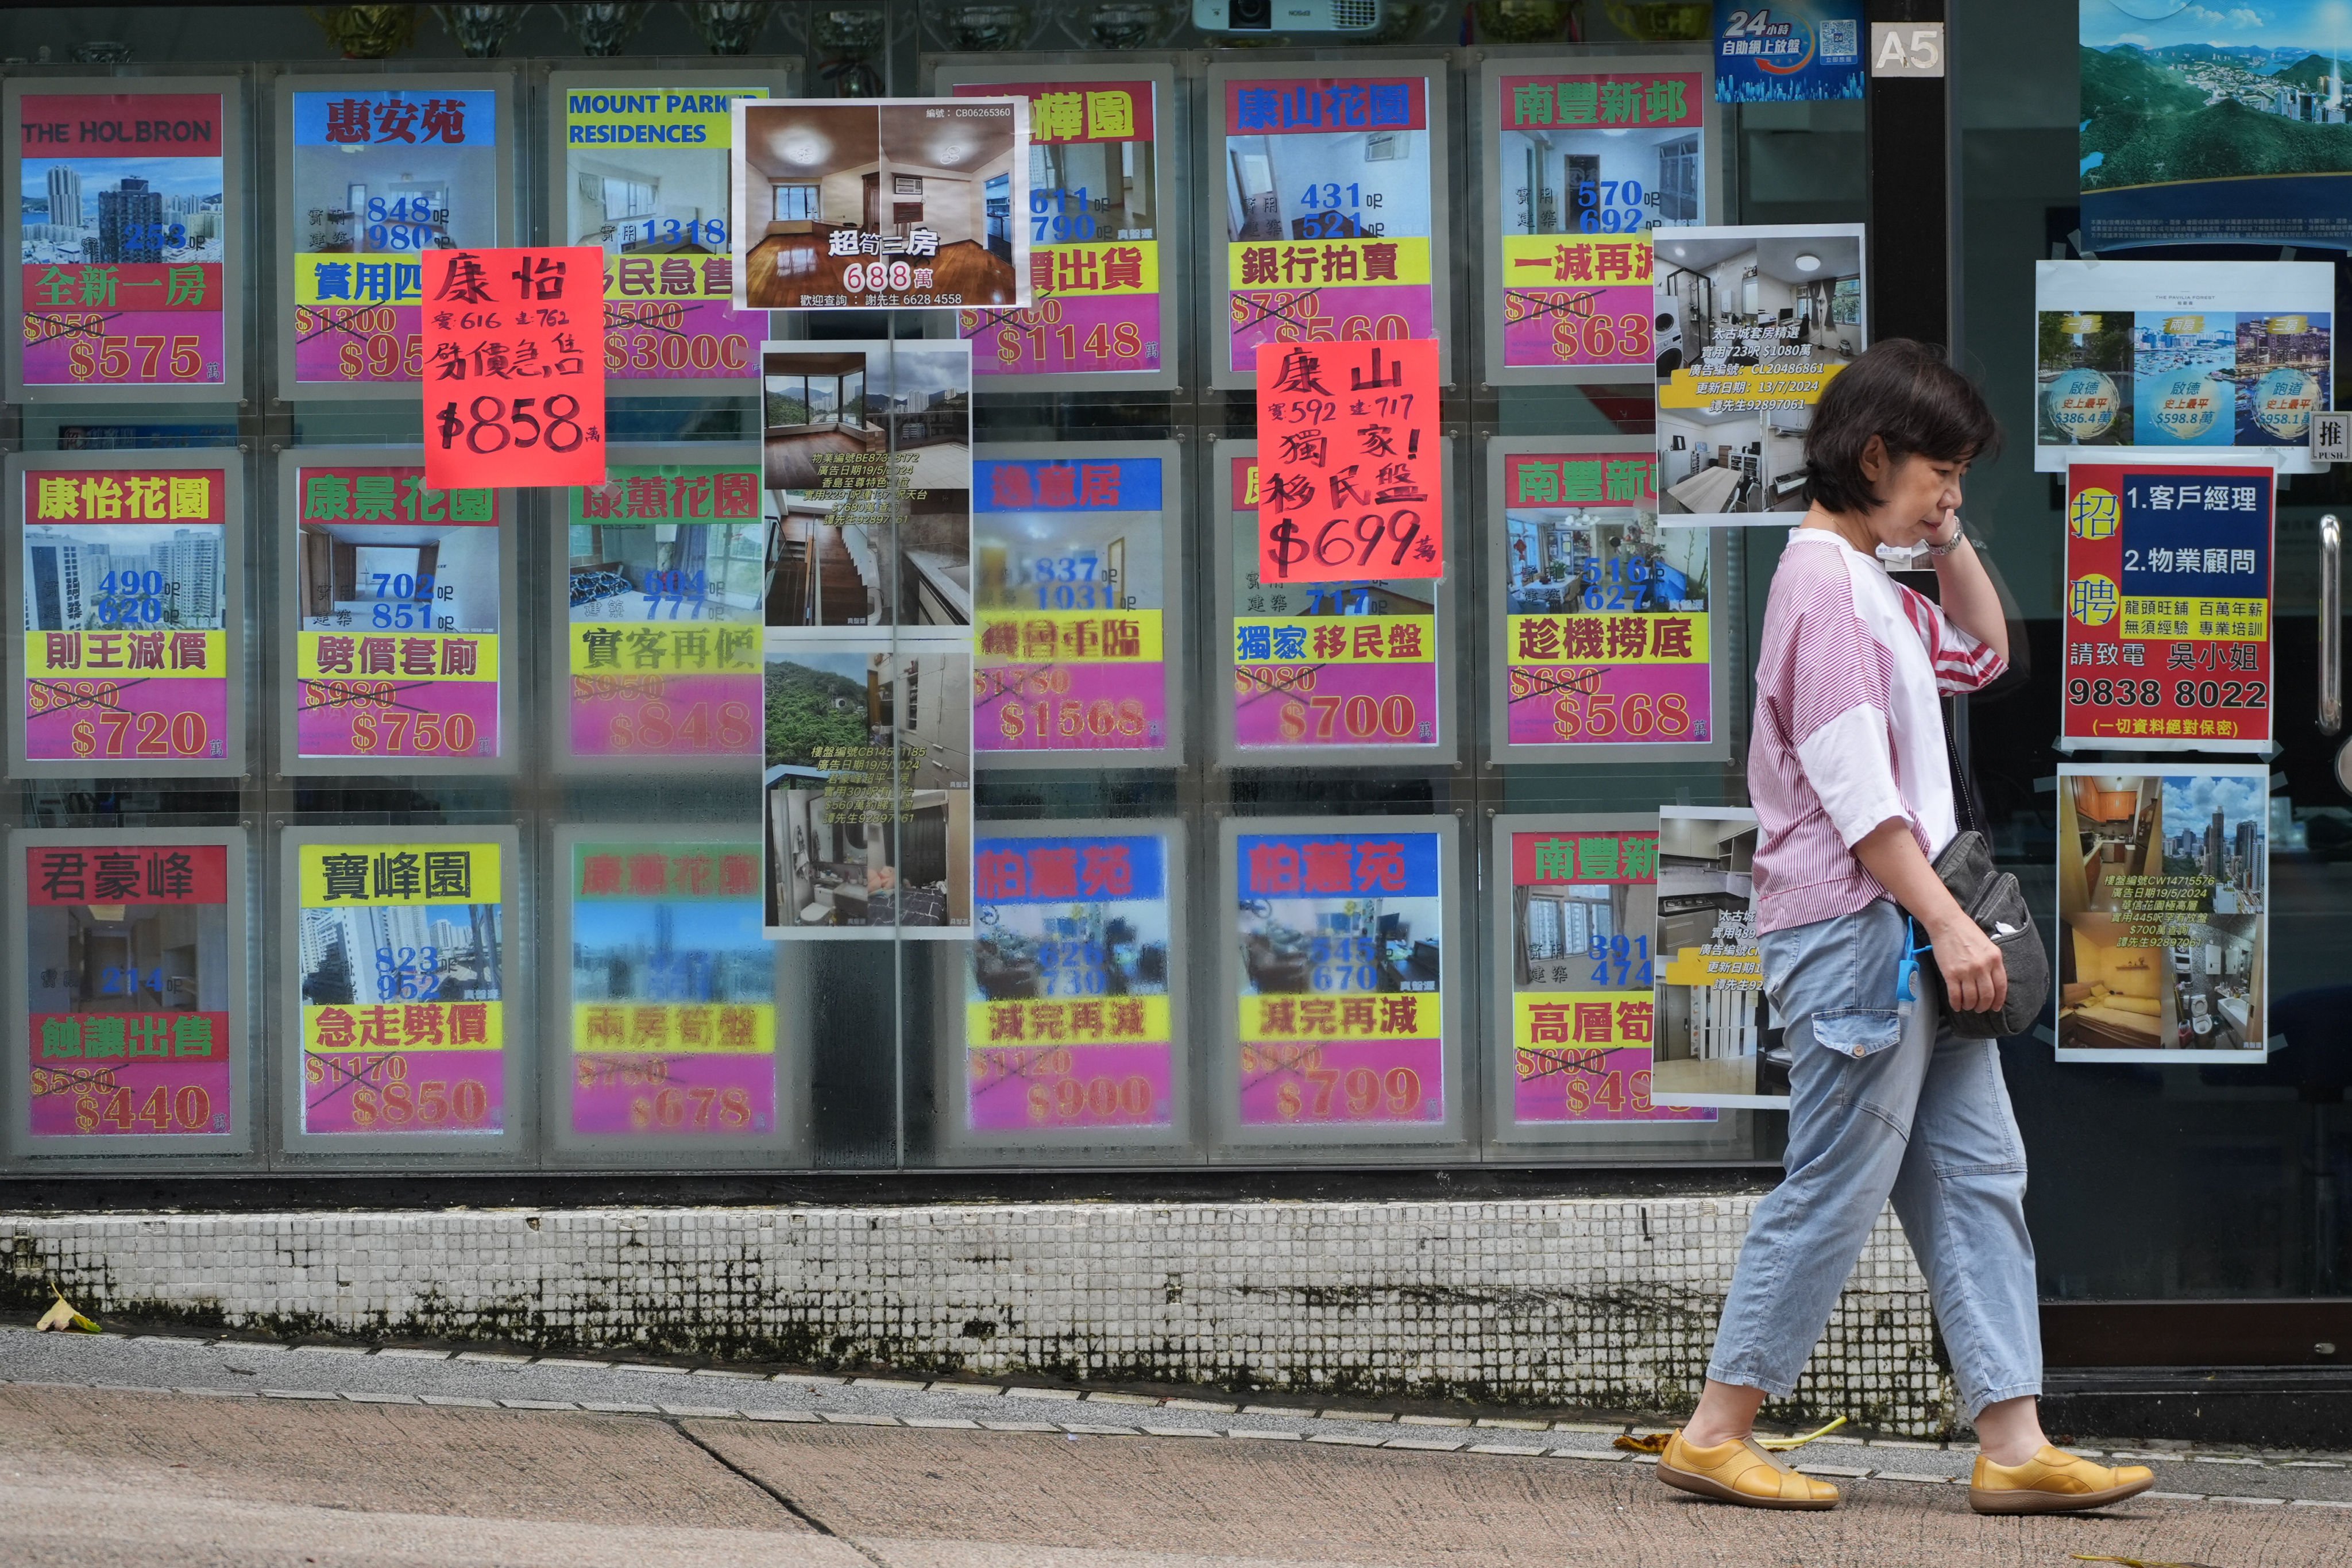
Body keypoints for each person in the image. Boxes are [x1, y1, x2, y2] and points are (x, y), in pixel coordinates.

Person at [1655, 340, 2153, 1516]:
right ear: (1872, 456)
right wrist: (1948, 925)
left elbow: (1981, 657)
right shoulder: (1821, 588)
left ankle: (2013, 1442)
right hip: (1862, 933)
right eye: (1940, 471)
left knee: (1977, 1172)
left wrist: (1945, 539)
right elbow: (1855, 795)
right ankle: (1716, 1430)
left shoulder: (1867, 585)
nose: (1951, 493)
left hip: (1897, 930)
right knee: (1834, 1179)